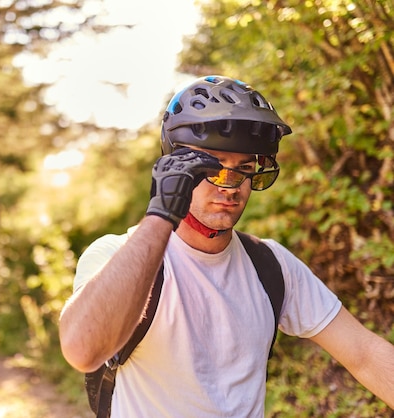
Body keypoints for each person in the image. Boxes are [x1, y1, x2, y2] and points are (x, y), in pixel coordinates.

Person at [58, 75, 394, 417]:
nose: (232, 187)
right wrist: (161, 214)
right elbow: (82, 349)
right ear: (174, 166)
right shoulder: (115, 255)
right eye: (213, 168)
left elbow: (363, 353)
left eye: (245, 169)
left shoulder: (270, 264)